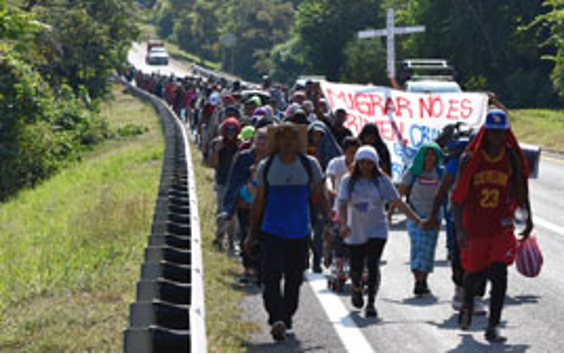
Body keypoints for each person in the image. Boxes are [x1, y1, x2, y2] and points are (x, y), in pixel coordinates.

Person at [452, 110, 534, 343]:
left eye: (501, 132)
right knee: (474, 275)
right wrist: (460, 230)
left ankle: (493, 325)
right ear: (485, 133)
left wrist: (529, 217)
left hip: (501, 224)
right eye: (493, 133)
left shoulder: (511, 158)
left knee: (499, 273)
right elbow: (457, 198)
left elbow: (520, 188)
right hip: (475, 224)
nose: (497, 137)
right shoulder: (470, 159)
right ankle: (467, 305)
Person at [245, 123, 327, 342]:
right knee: (270, 278)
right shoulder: (267, 165)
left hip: (300, 233)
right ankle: (277, 318)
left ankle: (285, 316)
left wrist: (329, 220)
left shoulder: (310, 165)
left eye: (292, 138)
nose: (288, 142)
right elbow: (259, 201)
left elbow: (320, 195)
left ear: (298, 141)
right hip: (272, 231)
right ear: (277, 141)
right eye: (283, 138)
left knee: (294, 280)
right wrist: (252, 234)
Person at [338, 146, 425, 319]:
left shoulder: (382, 181)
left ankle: (371, 302)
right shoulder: (348, 181)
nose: (365, 166)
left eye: (369, 163)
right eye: (361, 163)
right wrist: (343, 224)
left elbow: (398, 202)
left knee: (372, 263)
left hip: (377, 227)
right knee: (356, 267)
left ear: (375, 163)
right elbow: (342, 203)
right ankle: (356, 288)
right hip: (355, 227)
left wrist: (417, 219)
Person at [396, 142, 444, 297]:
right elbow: (400, 194)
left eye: (433, 154)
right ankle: (417, 280)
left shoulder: (441, 173)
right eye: (427, 154)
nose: (429, 158)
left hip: (434, 217)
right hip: (414, 215)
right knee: (417, 247)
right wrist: (390, 213)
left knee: (428, 249)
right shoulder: (413, 172)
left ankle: (424, 280)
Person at [209, 118, 241, 250]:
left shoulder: (241, 145)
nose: (231, 133)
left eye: (233, 130)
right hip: (222, 181)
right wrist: (217, 150)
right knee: (222, 211)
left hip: (236, 183)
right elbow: (212, 164)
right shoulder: (217, 143)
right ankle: (219, 237)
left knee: (234, 214)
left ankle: (232, 241)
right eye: (228, 130)